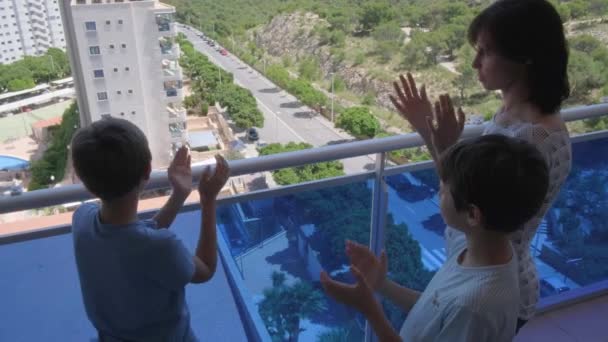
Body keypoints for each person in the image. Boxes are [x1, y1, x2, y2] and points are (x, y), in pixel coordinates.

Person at [389, 0, 572, 331]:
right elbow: (468, 188)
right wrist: (429, 132)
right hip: (480, 267)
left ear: (525, 56)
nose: (475, 63)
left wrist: (439, 142)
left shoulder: (532, 138)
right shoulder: (513, 117)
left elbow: (466, 199)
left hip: (495, 281)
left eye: (486, 52)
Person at [321, 134, 550, 341]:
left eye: (444, 189)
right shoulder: (477, 251)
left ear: (472, 214)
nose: (438, 191)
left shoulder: (475, 307)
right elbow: (435, 309)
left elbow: (455, 309)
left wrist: (369, 309)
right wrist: (382, 285)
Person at [70, 118, 230, 342]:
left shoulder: (82, 221)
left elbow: (134, 238)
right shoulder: (162, 247)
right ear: (147, 171)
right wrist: (208, 199)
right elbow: (205, 270)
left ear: (85, 182)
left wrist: (179, 195)